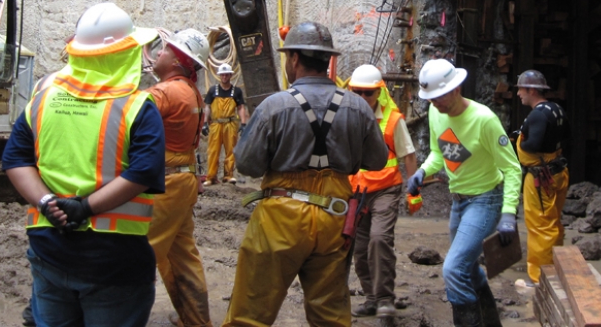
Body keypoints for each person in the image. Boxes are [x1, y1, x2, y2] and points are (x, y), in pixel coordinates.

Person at [1, 2, 165, 327]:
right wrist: (84, 208)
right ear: (123, 53)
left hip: (49, 248)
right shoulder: (137, 106)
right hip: (113, 259)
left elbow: (15, 159)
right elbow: (143, 171)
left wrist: (47, 202)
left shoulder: (43, 95)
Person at [222, 21, 388, 327]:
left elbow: (247, 165)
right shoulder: (358, 107)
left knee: (250, 313)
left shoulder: (275, 106)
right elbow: (377, 161)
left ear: (294, 59)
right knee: (330, 316)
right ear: (327, 60)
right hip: (335, 218)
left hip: (280, 218)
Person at [407, 58, 522, 327]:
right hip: (458, 201)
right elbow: (440, 151)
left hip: (486, 199)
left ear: (456, 89)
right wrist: (423, 171)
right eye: (431, 99)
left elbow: (513, 169)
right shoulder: (437, 112)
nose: (435, 104)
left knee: (453, 269)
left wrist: (508, 213)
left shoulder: (484, 120)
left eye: (439, 97)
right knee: (468, 268)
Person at [146, 28, 213, 327]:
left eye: (163, 50)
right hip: (182, 181)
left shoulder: (166, 92)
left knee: (141, 255)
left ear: (176, 61)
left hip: (166, 185)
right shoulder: (191, 91)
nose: (158, 53)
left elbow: (123, 117)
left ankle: (116, 315)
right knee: (182, 255)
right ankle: (196, 320)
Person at [347, 64, 418, 319]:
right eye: (357, 92)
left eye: (368, 93)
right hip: (357, 192)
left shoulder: (393, 119)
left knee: (379, 240)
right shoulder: (346, 115)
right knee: (359, 248)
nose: (363, 97)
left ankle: (386, 298)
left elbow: (408, 155)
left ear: (378, 91)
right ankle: (371, 298)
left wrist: (413, 191)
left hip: (386, 189)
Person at [515, 69, 570, 288]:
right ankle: (554, 269)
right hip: (557, 172)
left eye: (520, 89)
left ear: (530, 90)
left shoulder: (537, 114)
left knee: (540, 226)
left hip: (540, 177)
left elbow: (532, 145)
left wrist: (521, 137)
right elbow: (567, 136)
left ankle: (539, 279)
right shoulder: (556, 109)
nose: (518, 93)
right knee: (553, 221)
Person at [203, 62, 247, 185]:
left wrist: (243, 124)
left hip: (230, 124)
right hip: (216, 124)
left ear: (230, 75)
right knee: (213, 150)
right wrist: (205, 123)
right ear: (219, 76)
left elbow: (241, 108)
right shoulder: (212, 90)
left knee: (231, 150)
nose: (224, 77)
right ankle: (210, 177)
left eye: (226, 75)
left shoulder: (236, 91)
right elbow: (207, 107)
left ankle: (228, 175)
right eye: (222, 75)